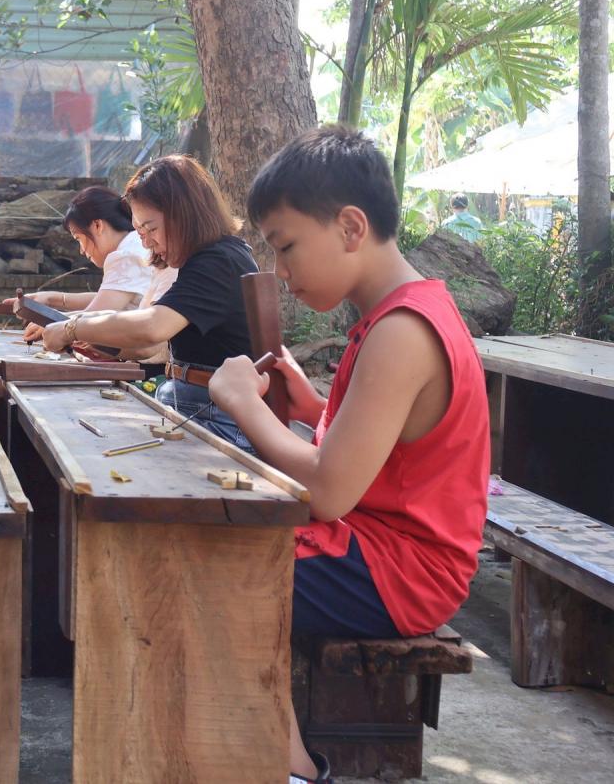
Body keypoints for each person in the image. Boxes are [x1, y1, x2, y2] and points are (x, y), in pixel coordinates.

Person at [208, 126, 490, 783]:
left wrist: (243, 404)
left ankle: (291, 768)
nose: (281, 272)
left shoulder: (403, 331)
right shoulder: (402, 313)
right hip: (381, 547)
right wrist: (312, 410)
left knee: (218, 575)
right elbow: (389, 448)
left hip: (401, 568)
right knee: (221, 550)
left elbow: (329, 490)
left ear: (351, 226)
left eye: (286, 246)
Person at [39, 155, 259, 450]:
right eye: (140, 231)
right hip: (191, 403)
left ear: (185, 215)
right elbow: (143, 347)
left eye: (151, 229)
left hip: (218, 417)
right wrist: (92, 339)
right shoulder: (202, 261)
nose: (145, 242)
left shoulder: (219, 260)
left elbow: (152, 328)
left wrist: (73, 328)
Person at [12, 187, 155, 342]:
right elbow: (107, 299)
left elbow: (97, 314)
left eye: (79, 239)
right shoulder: (132, 245)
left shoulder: (125, 256)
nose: (81, 250)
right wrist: (49, 298)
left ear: (97, 226)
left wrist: (51, 323)